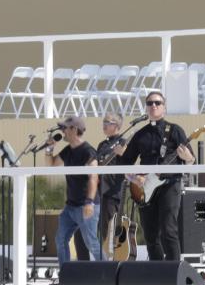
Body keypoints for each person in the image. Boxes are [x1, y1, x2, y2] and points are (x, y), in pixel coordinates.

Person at [122, 91, 195, 261]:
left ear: (164, 107)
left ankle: (174, 270)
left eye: (157, 103)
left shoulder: (175, 130)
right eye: (150, 103)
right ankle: (156, 270)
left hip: (170, 185)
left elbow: (192, 161)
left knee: (169, 230)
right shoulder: (140, 134)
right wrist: (135, 178)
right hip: (145, 188)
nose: (153, 106)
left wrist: (188, 158)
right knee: (150, 234)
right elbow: (125, 163)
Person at [45, 116, 102, 266]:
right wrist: (49, 148)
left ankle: (109, 271)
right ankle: (65, 273)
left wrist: (89, 202)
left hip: (86, 205)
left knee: (91, 243)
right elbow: (51, 164)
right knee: (60, 239)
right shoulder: (68, 150)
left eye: (64, 128)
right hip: (70, 206)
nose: (62, 131)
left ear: (74, 129)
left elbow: (93, 177)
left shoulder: (88, 151)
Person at [97, 113, 129, 260]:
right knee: (102, 228)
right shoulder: (102, 145)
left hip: (113, 191)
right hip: (100, 191)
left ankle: (114, 259)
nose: (104, 125)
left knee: (112, 227)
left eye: (107, 122)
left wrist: (123, 154)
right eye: (103, 122)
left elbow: (128, 162)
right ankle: (105, 259)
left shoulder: (123, 142)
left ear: (117, 125)